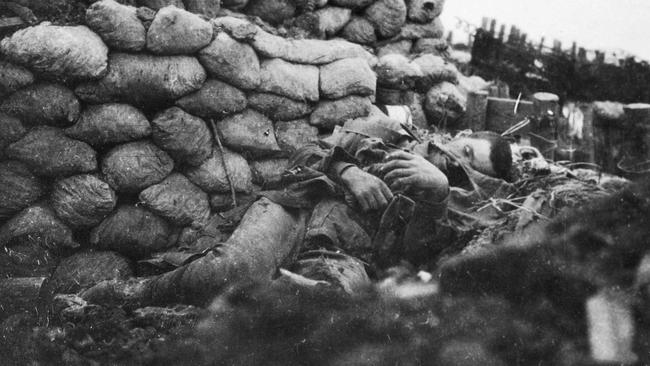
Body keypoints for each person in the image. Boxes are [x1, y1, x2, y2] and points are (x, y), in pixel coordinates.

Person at [81, 115, 514, 306]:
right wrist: (349, 172)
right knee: (227, 272)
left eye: (469, 165)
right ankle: (120, 296)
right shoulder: (393, 133)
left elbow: (412, 262)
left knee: (321, 310)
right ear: (463, 135)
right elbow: (308, 151)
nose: (456, 157)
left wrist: (434, 197)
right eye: (465, 148)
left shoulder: (456, 208)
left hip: (345, 254)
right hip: (297, 212)